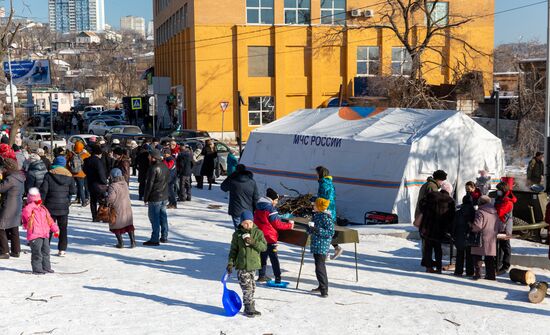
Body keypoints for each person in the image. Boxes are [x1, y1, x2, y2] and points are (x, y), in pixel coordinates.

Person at [226, 210, 267, 318]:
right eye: (245, 223)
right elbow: (233, 251)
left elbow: (264, 247)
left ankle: (251, 307)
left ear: (253, 222)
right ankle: (248, 307)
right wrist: (230, 263)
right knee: (247, 288)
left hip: (253, 265)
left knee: (252, 287)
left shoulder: (258, 233)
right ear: (241, 223)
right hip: (242, 266)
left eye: (249, 222)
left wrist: (253, 242)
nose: (247, 225)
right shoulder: (237, 234)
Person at [254, 188, 294, 283]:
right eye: (276, 200)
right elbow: (277, 224)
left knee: (262, 256)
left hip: (260, 235)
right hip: (270, 237)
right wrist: (290, 225)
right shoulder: (270, 208)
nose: (276, 202)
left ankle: (261, 276)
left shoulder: (258, 205)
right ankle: (278, 278)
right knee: (274, 258)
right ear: (271, 199)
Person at [40, 156, 76, 257]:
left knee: (48, 228)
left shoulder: (48, 175)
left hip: (50, 206)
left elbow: (44, 191)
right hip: (63, 206)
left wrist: (40, 203)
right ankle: (62, 249)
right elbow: (73, 191)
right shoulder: (69, 176)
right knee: (63, 228)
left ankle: (46, 248)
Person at [22, 188, 60, 274]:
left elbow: (50, 220)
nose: (38, 202)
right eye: (36, 201)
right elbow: (25, 212)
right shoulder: (29, 210)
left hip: (45, 234)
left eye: (38, 200)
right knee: (37, 253)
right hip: (34, 235)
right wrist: (32, 204)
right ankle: (37, 268)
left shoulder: (43, 209)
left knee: (46, 252)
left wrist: (55, 229)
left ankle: (46, 267)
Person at [419, 190, 455, 273]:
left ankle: (429, 267)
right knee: (438, 248)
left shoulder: (431, 199)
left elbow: (422, 207)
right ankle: (439, 267)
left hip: (428, 228)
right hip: (440, 229)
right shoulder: (449, 202)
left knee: (428, 249)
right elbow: (451, 217)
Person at [308, 198, 335, 298]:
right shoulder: (317, 215)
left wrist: (317, 229)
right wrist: (310, 229)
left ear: (319, 207)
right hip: (316, 244)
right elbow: (314, 229)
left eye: (315, 205)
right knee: (318, 267)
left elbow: (330, 232)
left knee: (320, 267)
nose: (313, 206)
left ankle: (324, 290)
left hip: (322, 245)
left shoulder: (325, 217)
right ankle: (321, 286)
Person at [143, 149, 170, 246]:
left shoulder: (153, 168)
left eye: (149, 156)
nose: (148, 157)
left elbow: (149, 184)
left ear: (154, 157)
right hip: (164, 195)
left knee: (154, 218)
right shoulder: (165, 166)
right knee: (163, 217)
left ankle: (155, 239)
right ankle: (164, 236)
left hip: (155, 197)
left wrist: (145, 197)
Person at [314, 166, 342, 260]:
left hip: (325, 210)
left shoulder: (323, 184)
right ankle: (335, 248)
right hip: (330, 210)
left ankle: (327, 252)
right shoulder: (329, 183)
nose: (315, 175)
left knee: (322, 230)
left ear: (320, 174)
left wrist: (317, 205)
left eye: (317, 173)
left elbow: (324, 199)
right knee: (326, 229)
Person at [221, 164, 260, 229]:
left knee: (239, 231)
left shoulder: (233, 181)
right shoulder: (252, 182)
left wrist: (230, 176)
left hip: (236, 210)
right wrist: (256, 209)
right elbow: (256, 197)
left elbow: (223, 187)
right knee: (249, 230)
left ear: (236, 170)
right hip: (248, 211)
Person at [0, 158, 25, 259]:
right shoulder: (20, 177)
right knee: (14, 228)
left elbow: (1, 188)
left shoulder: (10, 178)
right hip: (17, 205)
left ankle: (4, 251)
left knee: (0, 227)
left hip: (9, 205)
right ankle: (16, 250)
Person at [471, 195, 500, 280]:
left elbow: (477, 226)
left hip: (481, 237)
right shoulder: (495, 212)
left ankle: (478, 274)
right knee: (489, 257)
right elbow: (500, 226)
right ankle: (491, 275)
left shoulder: (480, 212)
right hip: (491, 237)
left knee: (477, 256)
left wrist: (471, 226)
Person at [106, 168, 136, 248]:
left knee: (116, 224)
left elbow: (111, 198)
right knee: (128, 224)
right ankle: (133, 242)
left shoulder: (113, 185)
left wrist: (106, 200)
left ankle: (121, 243)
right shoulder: (124, 183)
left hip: (117, 207)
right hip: (126, 206)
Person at [494, 181, 517, 274]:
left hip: (505, 224)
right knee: (498, 244)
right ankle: (497, 263)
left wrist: (493, 209)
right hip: (499, 224)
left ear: (503, 190)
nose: (497, 191)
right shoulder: (500, 198)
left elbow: (500, 212)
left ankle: (505, 265)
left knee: (505, 245)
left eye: (498, 190)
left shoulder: (508, 201)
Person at [83, 145, 108, 222]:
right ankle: (102, 215)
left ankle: (94, 216)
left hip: (90, 183)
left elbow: (84, 170)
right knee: (103, 201)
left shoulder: (87, 160)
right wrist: (104, 182)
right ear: (98, 153)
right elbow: (101, 173)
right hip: (99, 184)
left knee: (93, 201)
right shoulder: (98, 161)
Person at [453, 195, 475, 277]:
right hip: (470, 236)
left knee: (459, 254)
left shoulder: (458, 212)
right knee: (470, 255)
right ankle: (470, 272)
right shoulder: (474, 213)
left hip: (459, 235)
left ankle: (458, 271)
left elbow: (454, 225)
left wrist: (453, 235)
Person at [67, 141, 90, 207]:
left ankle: (69, 201)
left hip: (73, 173)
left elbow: (66, 162)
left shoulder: (71, 154)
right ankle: (83, 202)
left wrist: (69, 169)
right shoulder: (85, 154)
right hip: (82, 174)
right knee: (80, 188)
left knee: (71, 187)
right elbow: (90, 159)